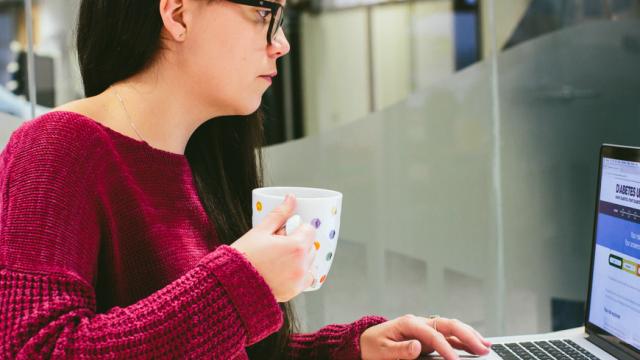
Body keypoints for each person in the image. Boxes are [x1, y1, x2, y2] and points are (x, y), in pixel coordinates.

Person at [0, 0, 493, 358]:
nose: (281, 43)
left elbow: (210, 346)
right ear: (178, 14)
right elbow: (34, 349)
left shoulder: (196, 158)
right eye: (264, 14)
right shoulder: (56, 148)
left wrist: (350, 349)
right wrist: (242, 283)